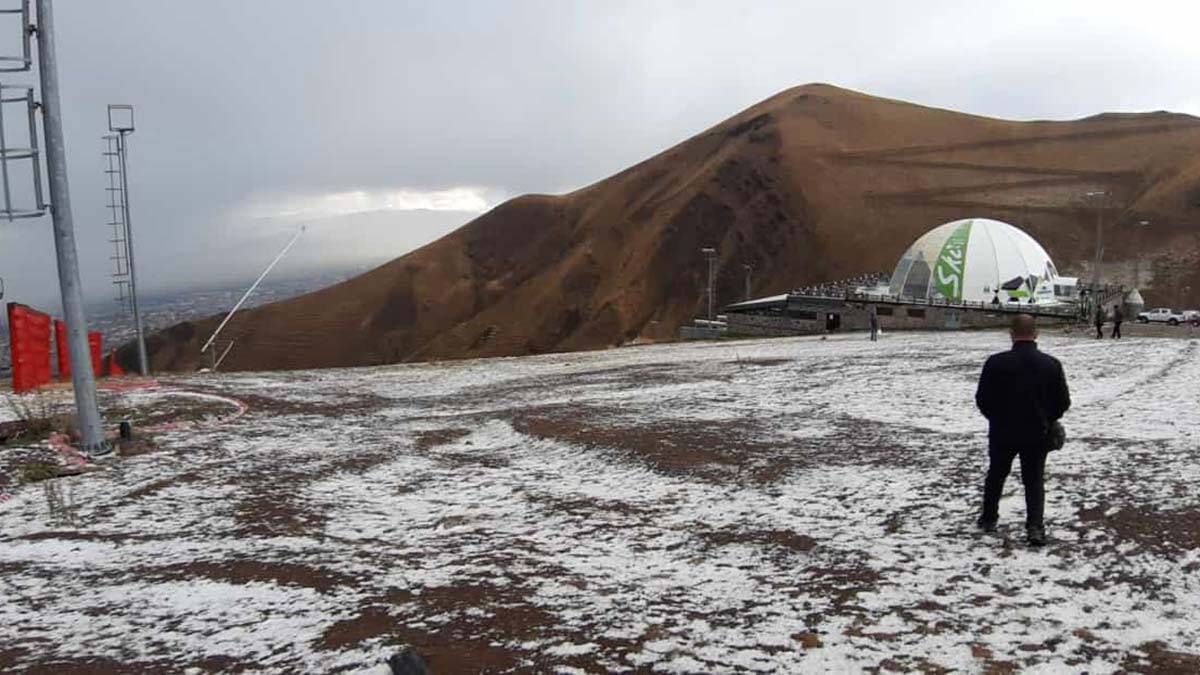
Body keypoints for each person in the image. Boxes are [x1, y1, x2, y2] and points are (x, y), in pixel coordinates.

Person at [975, 314, 1071, 546]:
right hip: (1037, 432)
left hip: (1002, 431)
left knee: (996, 475)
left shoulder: (995, 362)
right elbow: (1063, 402)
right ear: (1036, 334)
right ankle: (1035, 528)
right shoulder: (1051, 364)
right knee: (1034, 480)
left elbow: (983, 399)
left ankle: (989, 519)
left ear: (1011, 334)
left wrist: (996, 418)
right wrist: (1048, 418)